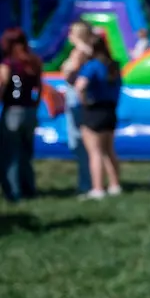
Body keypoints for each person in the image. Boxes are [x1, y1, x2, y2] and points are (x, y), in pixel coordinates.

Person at [75, 33, 123, 199]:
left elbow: (80, 85)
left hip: (94, 110)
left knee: (95, 152)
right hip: (110, 110)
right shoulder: (113, 65)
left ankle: (97, 188)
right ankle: (115, 184)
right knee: (109, 150)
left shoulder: (92, 66)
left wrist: (83, 101)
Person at [0, 27, 42, 202]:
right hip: (30, 110)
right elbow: (39, 87)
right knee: (26, 152)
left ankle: (14, 191)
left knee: (11, 153)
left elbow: (2, 85)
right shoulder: (33, 62)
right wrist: (34, 105)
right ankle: (29, 188)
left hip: (13, 111)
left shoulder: (8, 64)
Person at [60, 21, 96, 194]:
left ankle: (86, 183)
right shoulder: (84, 51)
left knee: (79, 141)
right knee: (80, 142)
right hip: (75, 96)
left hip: (76, 98)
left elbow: (70, 71)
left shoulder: (81, 52)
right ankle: (87, 181)